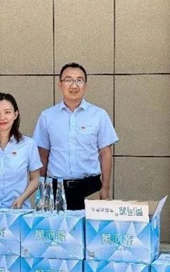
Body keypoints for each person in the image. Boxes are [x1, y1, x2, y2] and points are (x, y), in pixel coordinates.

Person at [33, 63, 118, 210]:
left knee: (89, 225)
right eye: (68, 80)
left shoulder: (99, 115)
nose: (74, 85)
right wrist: (43, 188)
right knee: (57, 225)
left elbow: (105, 154)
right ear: (60, 84)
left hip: (90, 188)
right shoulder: (47, 116)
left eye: (79, 80)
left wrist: (105, 187)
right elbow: (42, 155)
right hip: (56, 189)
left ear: (85, 85)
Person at [0, 93, 42, 208]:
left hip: (18, 211)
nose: (2, 117)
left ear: (15, 114)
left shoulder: (28, 144)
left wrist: (22, 198)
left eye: (7, 112)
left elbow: (36, 178)